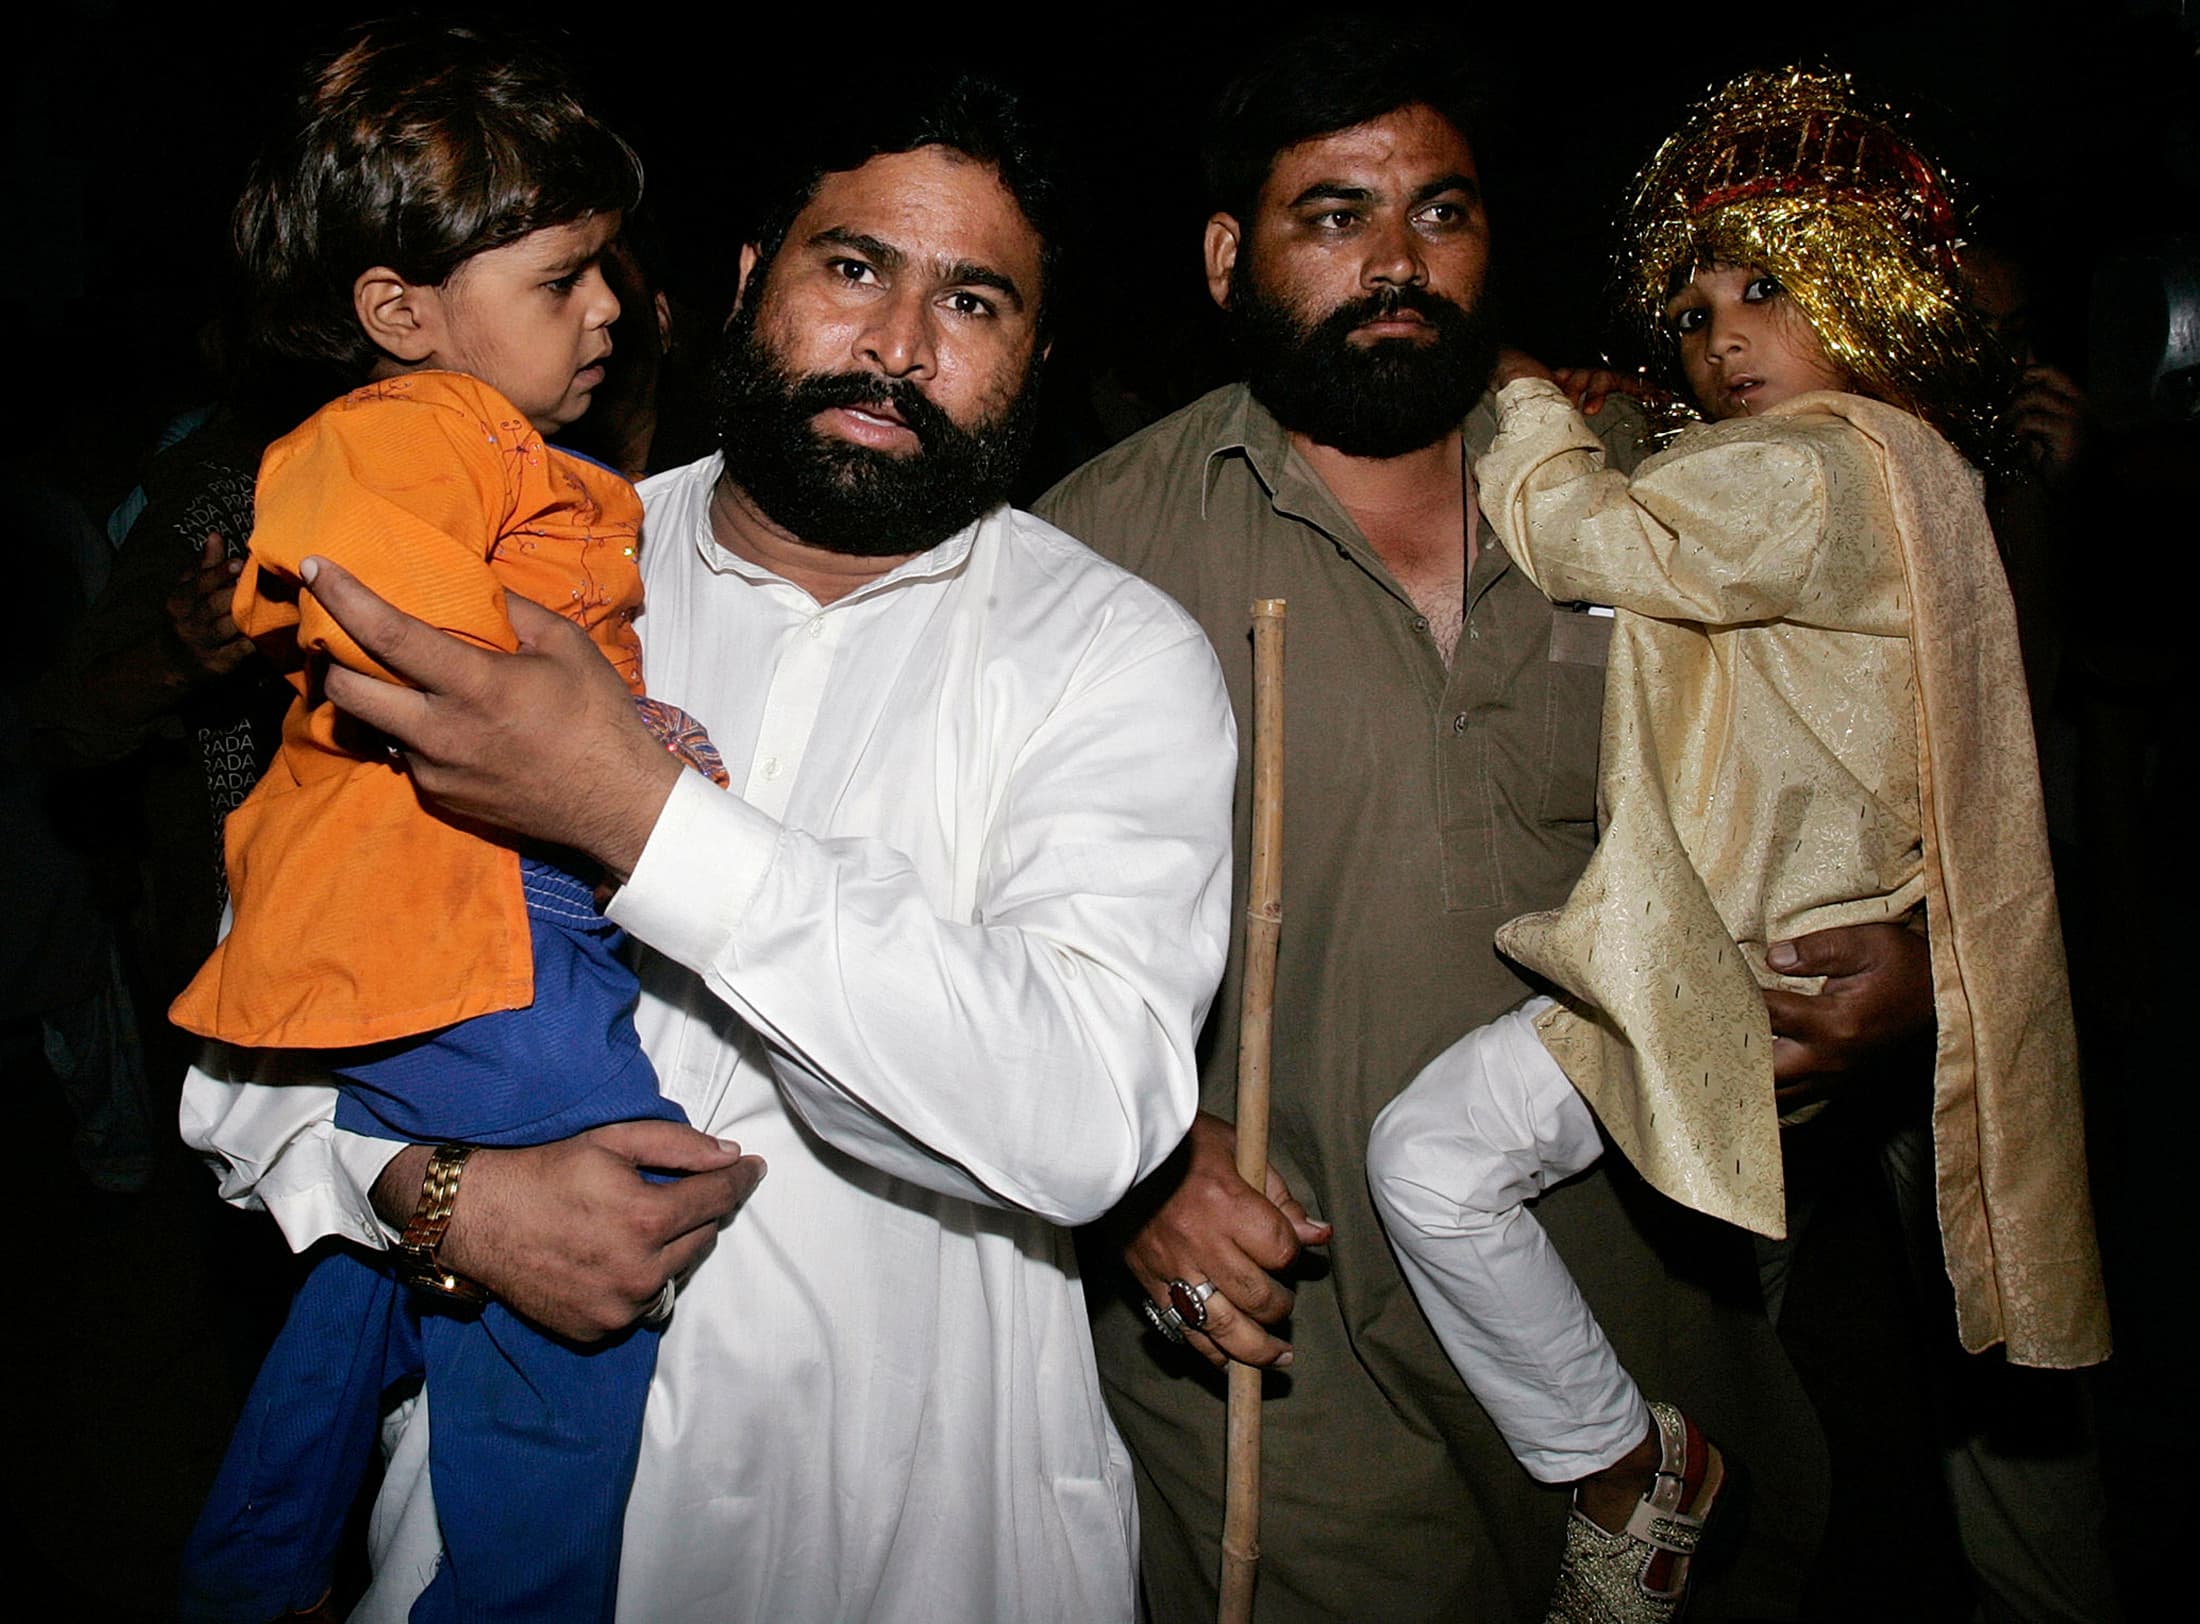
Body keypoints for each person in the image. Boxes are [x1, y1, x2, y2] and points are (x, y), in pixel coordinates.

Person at [181, 73, 1234, 1623]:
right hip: (476, 1522)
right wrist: (439, 1192)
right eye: (855, 267)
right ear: (753, 283)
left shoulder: (1116, 654)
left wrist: (635, 812)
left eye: (976, 303)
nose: (896, 345)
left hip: (915, 1538)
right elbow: (253, 1024)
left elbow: (1086, 1113)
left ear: (1037, 362)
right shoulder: (525, 553)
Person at [1035, 28, 1935, 1623]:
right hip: (1295, 1400)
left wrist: (1910, 973)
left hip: (1658, 1332)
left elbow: (1903, 759)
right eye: (1336, 217)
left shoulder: (1676, 496)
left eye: (1440, 214)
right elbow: (970, 935)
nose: (1399, 262)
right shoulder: (1096, 547)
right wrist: (1132, 1172)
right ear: (1230, 256)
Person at [1362, 67, 2108, 1623]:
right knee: (1832, 1302)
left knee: (1432, 1163)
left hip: (1740, 966)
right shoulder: (1909, 469)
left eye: (1764, 286)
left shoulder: (1816, 463)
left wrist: (1518, 395)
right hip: (1826, 944)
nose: (1719, 334)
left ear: (1861, 286)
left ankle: (1638, 1481)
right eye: (1695, 309)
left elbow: (1586, 536)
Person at [169, 24, 743, 1622]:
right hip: (468, 905)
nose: (610, 307)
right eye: (561, 279)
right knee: (606, 1223)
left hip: (472, 898)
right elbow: (362, 580)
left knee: (367, 1281)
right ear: (402, 312)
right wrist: (597, 726)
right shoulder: (401, 429)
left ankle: (261, 1549)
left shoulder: (495, 446)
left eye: (606, 270)